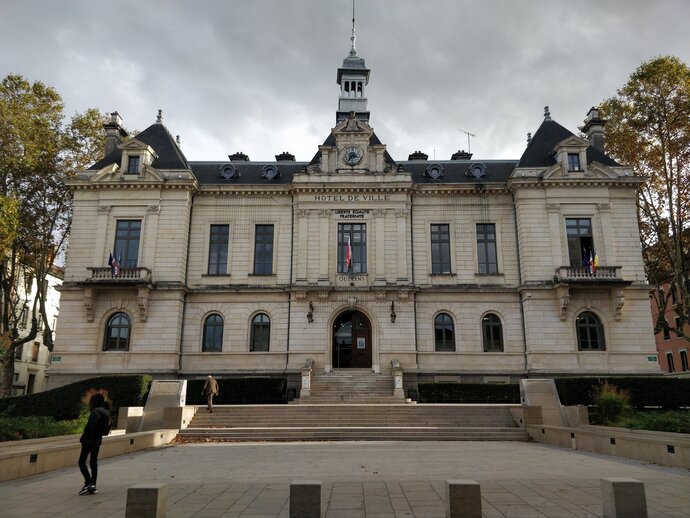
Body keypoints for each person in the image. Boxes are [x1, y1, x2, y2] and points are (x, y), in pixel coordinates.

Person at [78, 392, 111, 495]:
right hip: (98, 440)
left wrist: (83, 438)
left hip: (89, 440)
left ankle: (88, 483)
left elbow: (89, 427)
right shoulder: (106, 412)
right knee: (93, 462)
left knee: (81, 462)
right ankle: (93, 485)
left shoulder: (95, 412)